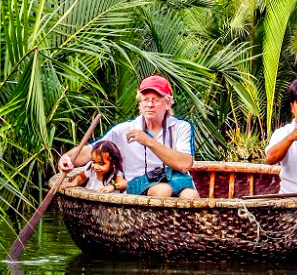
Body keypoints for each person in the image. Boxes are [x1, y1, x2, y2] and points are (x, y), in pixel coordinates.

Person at [58, 75, 199, 199]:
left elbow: (184, 164)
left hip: (176, 178)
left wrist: (149, 142)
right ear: (140, 103)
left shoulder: (181, 127)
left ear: (168, 103)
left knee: (190, 195)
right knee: (163, 190)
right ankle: (154, 227)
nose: (150, 105)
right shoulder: (124, 129)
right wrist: (68, 158)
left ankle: (181, 228)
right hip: (139, 184)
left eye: (156, 100)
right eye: (145, 100)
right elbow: (90, 151)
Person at [61, 140, 127, 193]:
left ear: (113, 164)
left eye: (101, 164)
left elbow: (123, 184)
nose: (95, 167)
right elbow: (82, 176)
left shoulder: (114, 173)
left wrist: (113, 186)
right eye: (94, 161)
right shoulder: (90, 168)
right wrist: (74, 182)